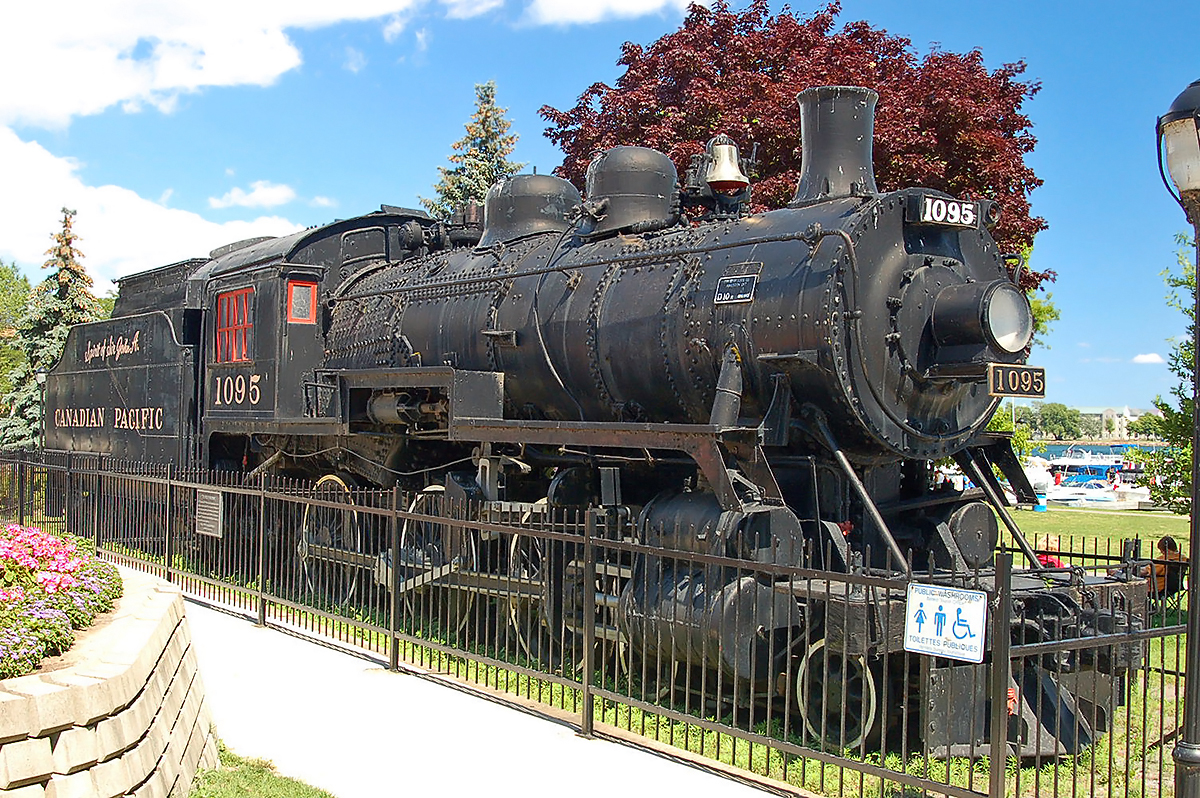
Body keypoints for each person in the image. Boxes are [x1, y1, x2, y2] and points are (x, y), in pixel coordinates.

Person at [1141, 536, 1188, 601]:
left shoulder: (1164, 560)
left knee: (1136, 588)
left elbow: (1147, 571)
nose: (1161, 553)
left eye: (1161, 551)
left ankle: (1150, 608)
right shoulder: (1183, 559)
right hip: (1175, 587)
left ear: (1167, 550)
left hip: (1157, 588)